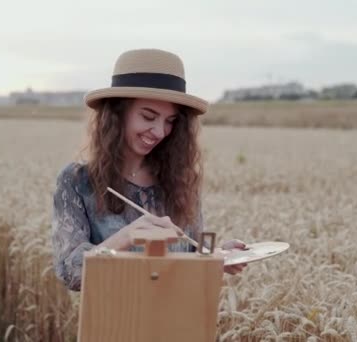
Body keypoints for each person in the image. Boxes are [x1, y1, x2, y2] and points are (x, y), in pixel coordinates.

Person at [51, 48, 246, 291]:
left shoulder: (179, 180)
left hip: (178, 320)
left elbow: (190, 251)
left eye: (170, 121)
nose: (160, 131)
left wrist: (218, 255)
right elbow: (69, 271)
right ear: (117, 113)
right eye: (148, 116)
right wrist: (125, 237)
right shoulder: (78, 182)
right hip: (110, 322)